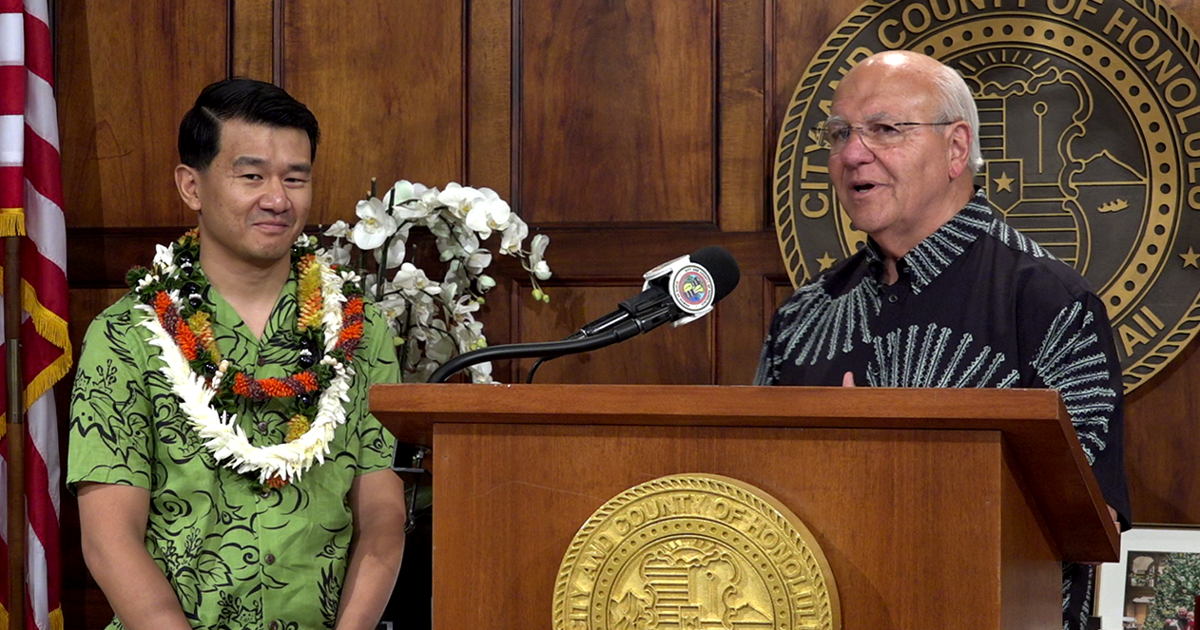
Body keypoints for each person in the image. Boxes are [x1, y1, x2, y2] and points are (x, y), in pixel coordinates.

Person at [754, 51, 1131, 630]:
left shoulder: (1048, 302)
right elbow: (755, 501)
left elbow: (1087, 522)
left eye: (885, 129)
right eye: (840, 134)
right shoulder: (803, 317)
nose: (853, 154)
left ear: (957, 148)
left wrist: (893, 466)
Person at [68, 78, 407, 630]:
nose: (277, 199)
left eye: (295, 178)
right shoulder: (126, 334)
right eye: (251, 176)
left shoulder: (358, 330)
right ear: (191, 186)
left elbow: (383, 514)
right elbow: (109, 540)